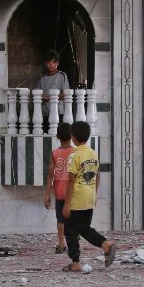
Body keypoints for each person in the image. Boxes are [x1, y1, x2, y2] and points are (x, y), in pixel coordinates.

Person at [61, 121, 116, 272]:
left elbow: (71, 181)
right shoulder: (93, 153)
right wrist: (94, 194)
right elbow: (97, 176)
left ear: (73, 137)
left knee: (70, 230)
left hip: (77, 198)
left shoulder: (74, 155)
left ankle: (76, 262)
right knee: (84, 228)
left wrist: (67, 204)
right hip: (89, 196)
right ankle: (105, 245)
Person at [44, 122, 73, 254]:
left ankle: (61, 245)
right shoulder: (76, 152)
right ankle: (73, 243)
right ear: (72, 136)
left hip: (59, 192)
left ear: (57, 136)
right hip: (74, 193)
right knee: (73, 220)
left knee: (60, 220)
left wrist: (47, 194)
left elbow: (50, 175)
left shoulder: (54, 153)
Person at [35, 49, 71, 123]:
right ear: (45, 63)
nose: (51, 64)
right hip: (44, 112)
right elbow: (37, 93)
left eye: (53, 62)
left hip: (58, 112)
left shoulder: (62, 75)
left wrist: (49, 98)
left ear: (58, 63)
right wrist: (42, 97)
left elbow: (65, 93)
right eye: (48, 62)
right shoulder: (42, 77)